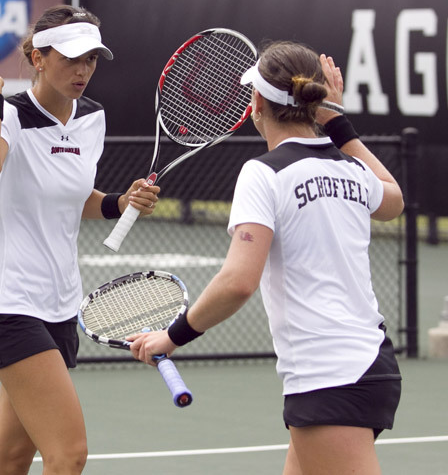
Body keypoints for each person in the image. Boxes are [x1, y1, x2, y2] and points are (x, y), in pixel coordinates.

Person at [129, 41, 404, 475]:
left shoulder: (263, 173)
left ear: (256, 102)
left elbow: (239, 281)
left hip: (329, 375)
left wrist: (171, 337)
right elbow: (394, 200)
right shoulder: (352, 170)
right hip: (365, 365)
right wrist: (335, 119)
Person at [0, 4, 160, 475]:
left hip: (59, 301)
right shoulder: (7, 113)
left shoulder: (92, 118)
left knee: (13, 458)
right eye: (72, 58)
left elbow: (74, 197)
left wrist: (119, 201)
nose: (83, 69)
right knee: (68, 455)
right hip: (8, 302)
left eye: (91, 59)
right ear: (39, 59)